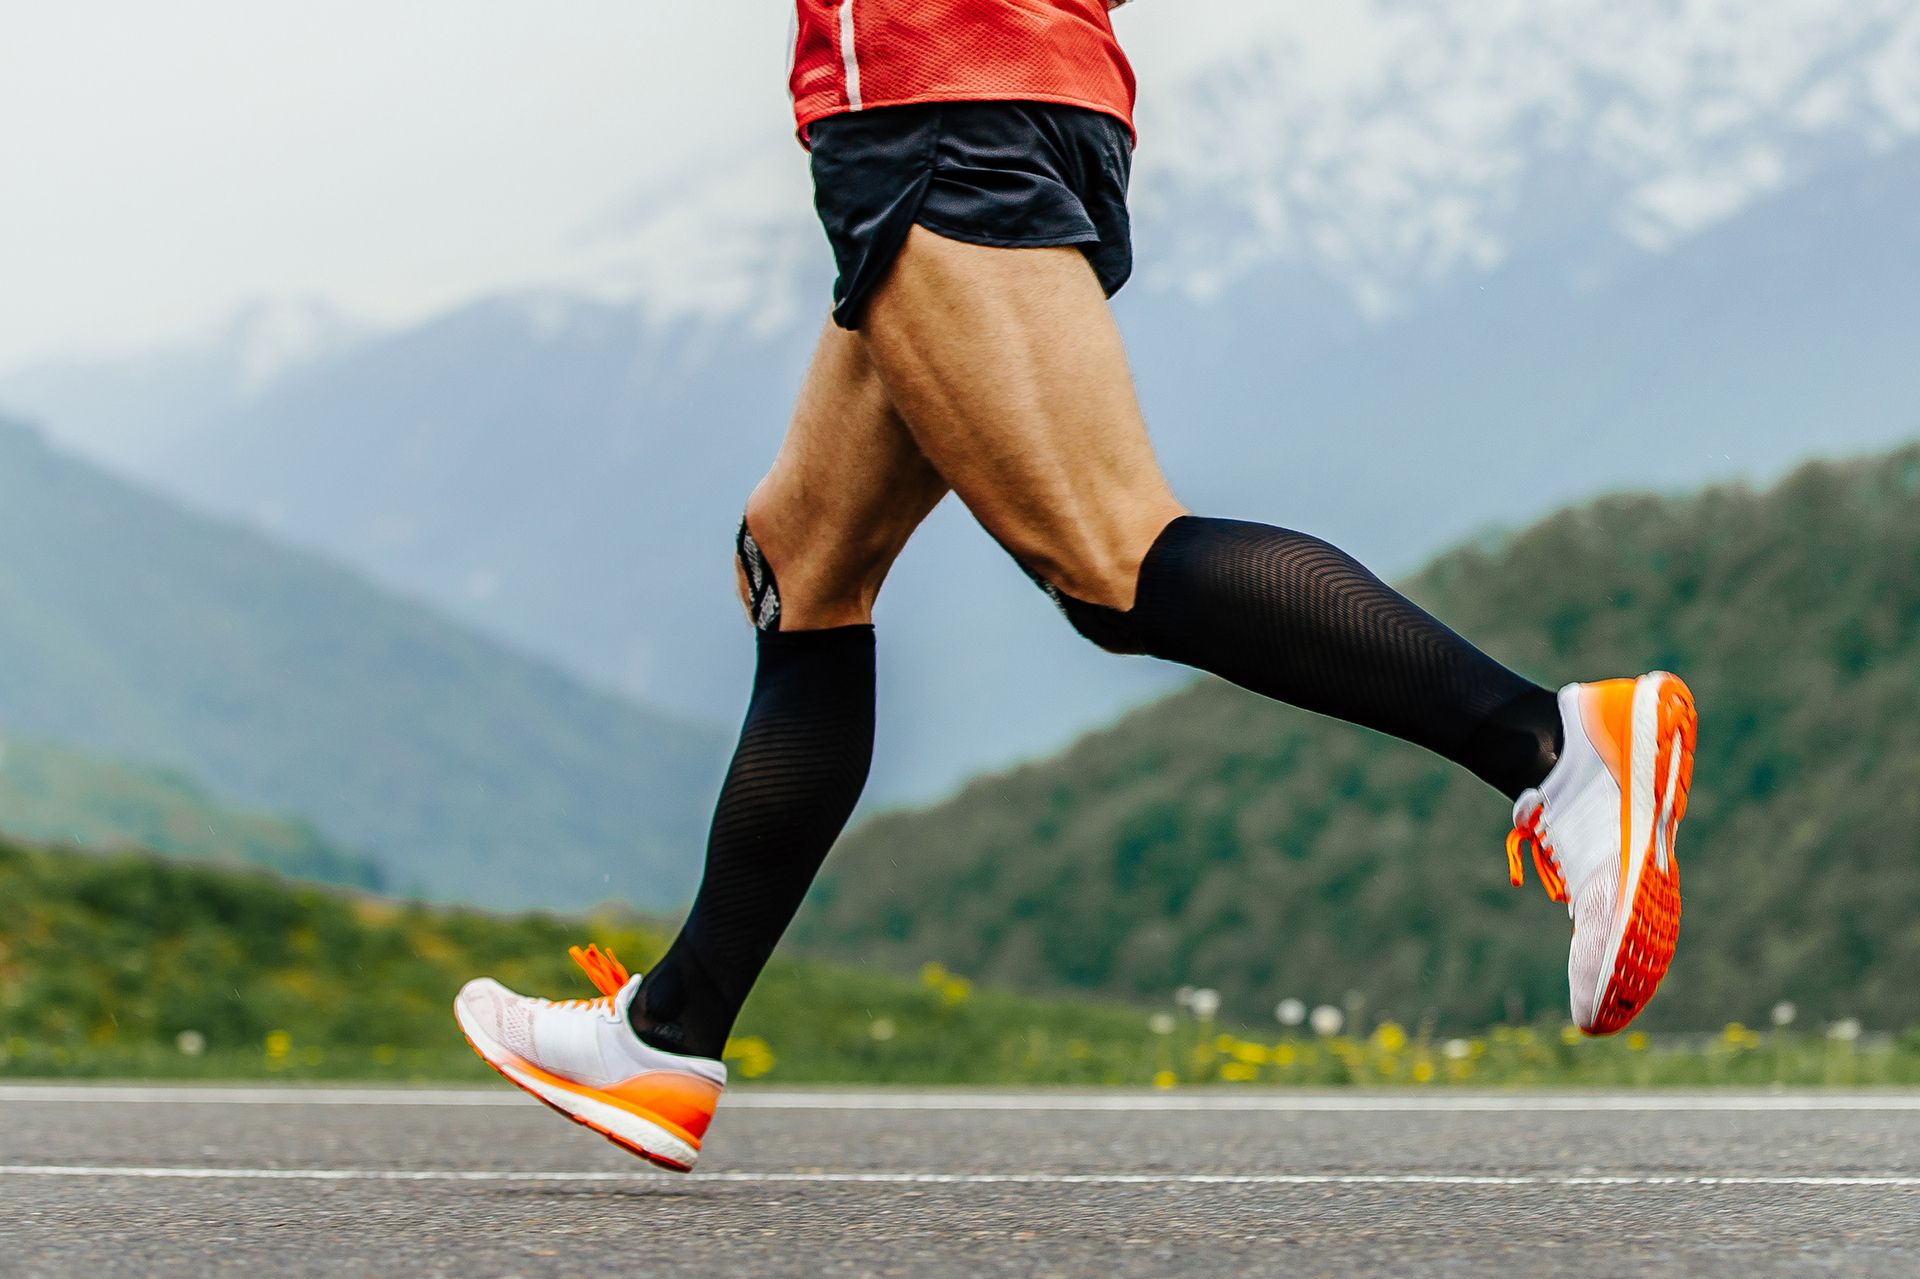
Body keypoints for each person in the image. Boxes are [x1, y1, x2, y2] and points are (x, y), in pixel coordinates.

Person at [453, 0, 1697, 1172]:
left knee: (1109, 559)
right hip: (1007, 85)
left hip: (932, 92)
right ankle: (668, 1033)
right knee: (800, 563)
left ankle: (1552, 746)